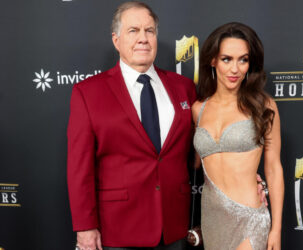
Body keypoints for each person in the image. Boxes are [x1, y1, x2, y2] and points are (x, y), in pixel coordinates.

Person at [67, 2, 196, 250]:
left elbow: (200, 150)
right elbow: (79, 168)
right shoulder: (88, 92)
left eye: (149, 31)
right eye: (133, 31)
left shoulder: (184, 87)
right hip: (118, 229)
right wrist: (85, 227)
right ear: (116, 40)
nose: (143, 39)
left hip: (173, 229)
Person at [192, 22, 284, 250]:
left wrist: (277, 230)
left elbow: (273, 168)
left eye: (243, 59)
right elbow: (197, 162)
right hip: (212, 219)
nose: (235, 69)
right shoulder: (198, 109)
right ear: (212, 61)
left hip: (249, 217)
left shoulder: (263, 105)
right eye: (227, 59)